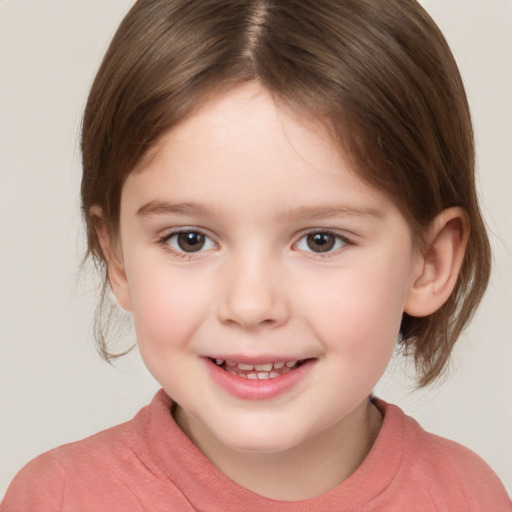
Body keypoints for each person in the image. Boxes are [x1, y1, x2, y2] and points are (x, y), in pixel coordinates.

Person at [2, 0, 511, 510]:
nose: (249, 305)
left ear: (430, 263)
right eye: (190, 240)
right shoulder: (59, 498)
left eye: (321, 240)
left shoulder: (468, 497)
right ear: (116, 257)